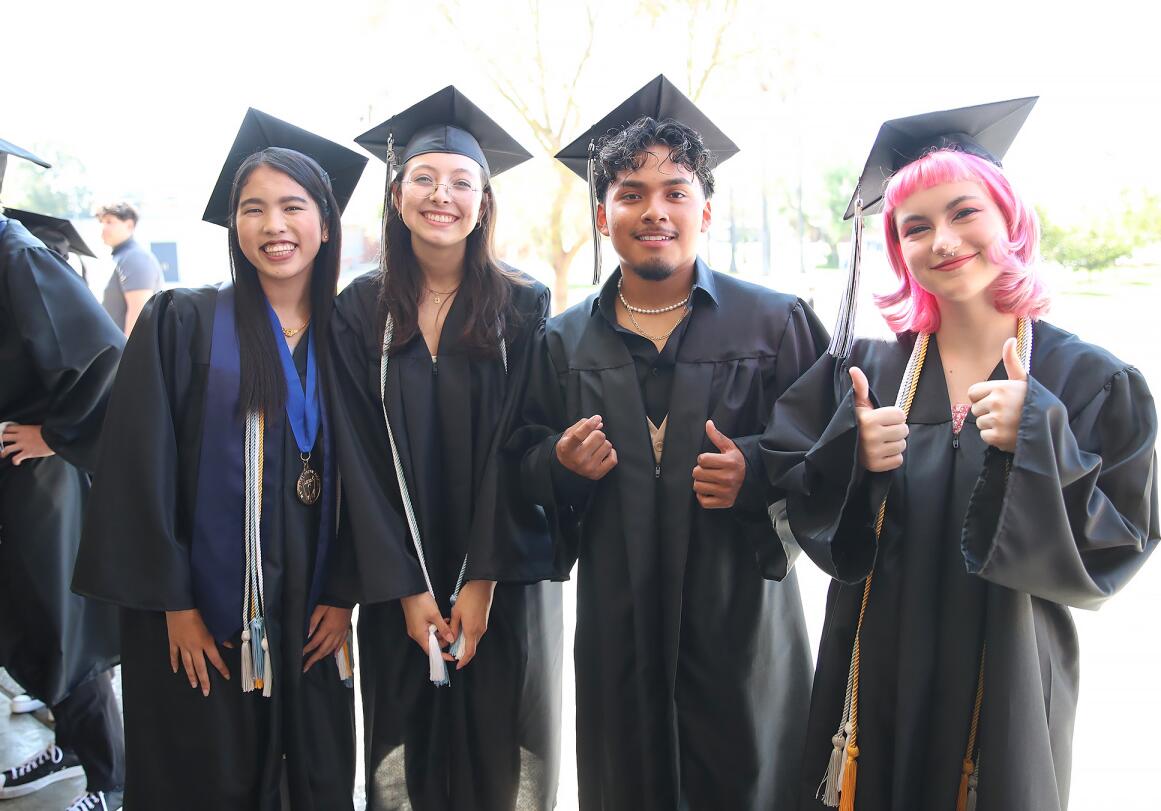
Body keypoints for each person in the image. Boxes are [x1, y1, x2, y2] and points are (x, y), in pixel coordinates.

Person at [761, 98, 1160, 811]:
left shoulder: (1086, 382)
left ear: (1012, 221)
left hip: (1004, 684)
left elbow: (1117, 546)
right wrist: (861, 463)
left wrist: (1040, 436)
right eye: (915, 227)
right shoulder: (874, 373)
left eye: (964, 212)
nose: (942, 240)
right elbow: (807, 511)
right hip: (875, 676)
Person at [510, 75, 828, 810]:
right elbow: (518, 463)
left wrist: (755, 471)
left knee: (750, 777)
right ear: (602, 214)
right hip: (619, 623)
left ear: (705, 210)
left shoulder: (774, 324)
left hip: (741, 621)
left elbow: (827, 456)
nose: (653, 210)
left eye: (675, 192)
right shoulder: (561, 341)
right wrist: (558, 465)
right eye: (630, 193)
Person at [74, 111, 368, 810]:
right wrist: (174, 602)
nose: (274, 225)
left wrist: (345, 589)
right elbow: (139, 473)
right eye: (254, 209)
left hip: (313, 603)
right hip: (204, 605)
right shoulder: (182, 323)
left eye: (293, 206)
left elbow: (378, 477)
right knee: (207, 770)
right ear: (234, 226)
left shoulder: (352, 335)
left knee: (315, 770)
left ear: (325, 223)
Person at [332, 86, 562, 811]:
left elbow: (523, 440)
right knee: (406, 750)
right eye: (425, 179)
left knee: (504, 748)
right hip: (399, 580)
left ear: (485, 201)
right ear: (396, 193)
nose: (443, 195)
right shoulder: (357, 308)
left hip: (503, 577)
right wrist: (405, 588)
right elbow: (357, 456)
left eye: (462, 181)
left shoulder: (524, 306)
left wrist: (483, 580)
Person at [0, 139, 126, 811]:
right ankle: (67, 752)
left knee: (58, 627)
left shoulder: (16, 253)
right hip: (12, 475)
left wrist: (52, 435)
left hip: (38, 479)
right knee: (23, 622)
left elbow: (106, 357)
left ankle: (109, 781)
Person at [96, 201, 162, 335]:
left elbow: (139, 314)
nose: (103, 227)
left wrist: (128, 355)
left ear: (129, 225)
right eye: (101, 222)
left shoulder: (134, 257)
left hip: (126, 352)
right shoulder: (119, 257)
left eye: (109, 222)